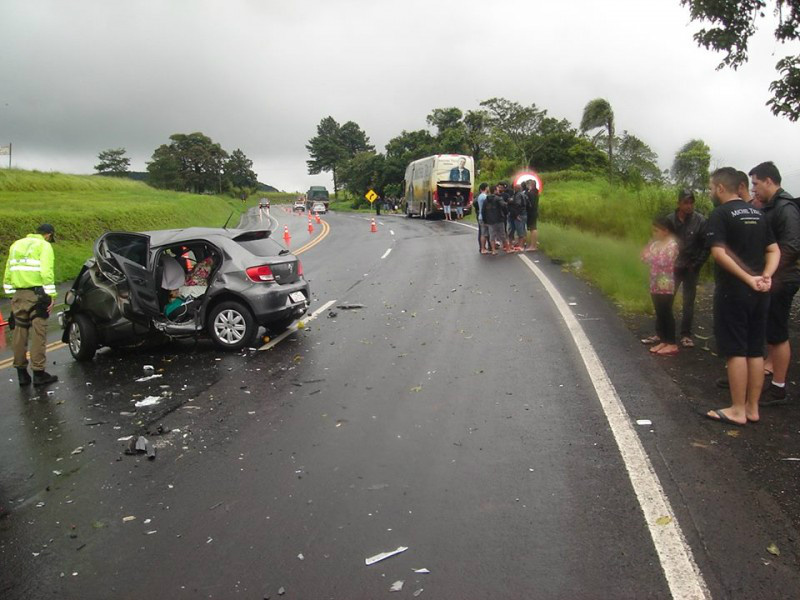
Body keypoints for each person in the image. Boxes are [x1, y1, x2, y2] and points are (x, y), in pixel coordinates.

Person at [704, 167, 779, 426]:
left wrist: (747, 278)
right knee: (755, 349)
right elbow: (773, 249)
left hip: (733, 292)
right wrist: (765, 276)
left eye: (711, 188)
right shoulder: (758, 214)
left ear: (722, 188)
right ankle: (752, 408)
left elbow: (719, 254)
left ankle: (737, 409)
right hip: (761, 292)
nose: (711, 192)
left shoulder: (720, 214)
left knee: (735, 349)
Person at [749, 161, 800, 406]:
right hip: (773, 278)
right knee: (772, 332)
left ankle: (779, 388)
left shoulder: (786, 208)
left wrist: (768, 273)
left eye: (756, 183)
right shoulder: (771, 207)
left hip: (782, 279)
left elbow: (790, 248)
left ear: (769, 181)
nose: (754, 189)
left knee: (778, 333)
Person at [3, 224, 59, 387]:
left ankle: (22, 374)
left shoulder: (16, 244)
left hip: (18, 294)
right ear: (48, 235)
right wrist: (51, 295)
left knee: (19, 333)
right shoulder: (44, 246)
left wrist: (11, 293)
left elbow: (8, 271)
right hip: (37, 294)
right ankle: (39, 373)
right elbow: (46, 271)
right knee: (38, 333)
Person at [665, 190, 709, 348]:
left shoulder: (700, 220)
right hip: (672, 267)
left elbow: (706, 245)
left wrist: (697, 264)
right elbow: (662, 240)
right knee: (666, 299)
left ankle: (685, 334)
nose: (689, 206)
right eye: (686, 202)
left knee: (688, 302)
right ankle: (663, 332)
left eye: (691, 202)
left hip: (691, 267)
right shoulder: (669, 219)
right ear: (678, 203)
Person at [641, 217, 679, 356]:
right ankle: (664, 340)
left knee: (666, 312)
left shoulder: (672, 245)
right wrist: (649, 255)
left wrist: (650, 256)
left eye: (657, 230)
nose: (654, 233)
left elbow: (664, 260)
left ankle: (672, 343)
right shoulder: (655, 244)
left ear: (665, 231)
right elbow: (644, 257)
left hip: (666, 284)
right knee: (660, 312)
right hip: (654, 282)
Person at [482, 185, 507, 255]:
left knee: (492, 236)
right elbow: (504, 206)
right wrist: (505, 214)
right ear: (495, 190)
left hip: (490, 221)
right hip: (499, 219)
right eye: (497, 189)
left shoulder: (486, 200)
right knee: (502, 235)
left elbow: (483, 211)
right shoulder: (498, 198)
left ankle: (493, 250)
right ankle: (508, 248)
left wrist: (485, 221)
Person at [508, 183, 528, 251]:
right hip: (522, 214)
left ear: (516, 188)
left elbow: (517, 205)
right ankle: (520, 245)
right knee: (520, 230)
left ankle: (520, 246)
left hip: (519, 215)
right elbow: (528, 204)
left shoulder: (518, 195)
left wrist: (516, 215)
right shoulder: (523, 195)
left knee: (519, 231)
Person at [526, 182, 540, 251]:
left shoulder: (531, 193)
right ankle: (534, 245)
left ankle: (533, 246)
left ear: (531, 185)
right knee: (533, 228)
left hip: (531, 212)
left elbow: (530, 204)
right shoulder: (536, 192)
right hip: (534, 212)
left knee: (533, 229)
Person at [476, 183, 489, 253]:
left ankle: (483, 248)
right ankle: (483, 249)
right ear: (485, 188)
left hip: (481, 216)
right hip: (483, 217)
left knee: (484, 233)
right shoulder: (484, 197)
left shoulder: (480, 196)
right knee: (483, 233)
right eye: (487, 187)